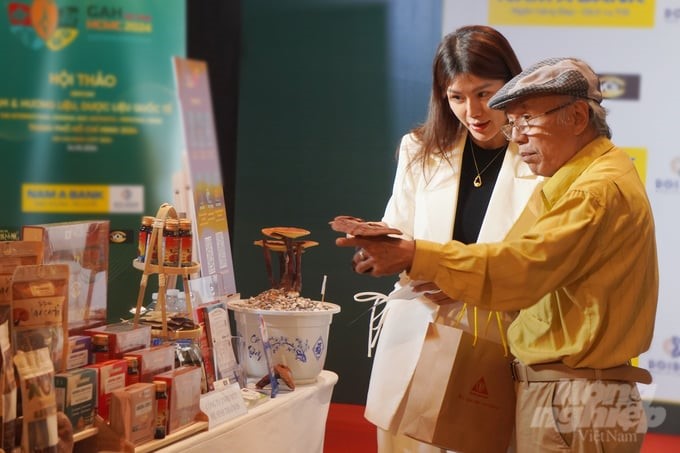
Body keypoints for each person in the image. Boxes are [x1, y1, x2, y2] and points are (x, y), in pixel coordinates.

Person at [339, 57, 658, 453]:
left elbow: (517, 269)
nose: (518, 136)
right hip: (571, 393)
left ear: (577, 116)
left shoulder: (591, 191)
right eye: (513, 123)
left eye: (526, 120)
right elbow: (511, 256)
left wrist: (416, 256)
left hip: (574, 397)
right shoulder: (581, 178)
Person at [354, 25, 543, 452]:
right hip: (417, 328)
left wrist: (456, 278)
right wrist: (375, 249)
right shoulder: (420, 148)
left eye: (484, 92)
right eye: (456, 96)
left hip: (495, 340)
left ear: (510, 86)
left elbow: (537, 263)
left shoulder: (541, 159)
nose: (472, 110)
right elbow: (398, 228)